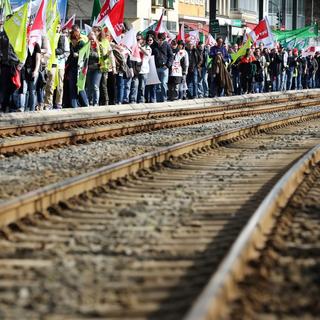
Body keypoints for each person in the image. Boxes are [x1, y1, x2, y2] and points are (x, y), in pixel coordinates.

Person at [153, 32, 173, 102]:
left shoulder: (167, 45)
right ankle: (158, 98)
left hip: (164, 68)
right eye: (159, 39)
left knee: (163, 83)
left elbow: (171, 56)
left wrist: (168, 65)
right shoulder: (154, 45)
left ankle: (164, 98)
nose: (160, 41)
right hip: (157, 67)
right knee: (158, 84)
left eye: (162, 39)